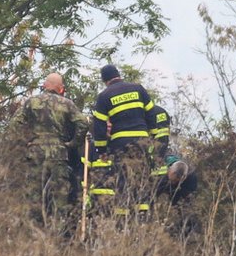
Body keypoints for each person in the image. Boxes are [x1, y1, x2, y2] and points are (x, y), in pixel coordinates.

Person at [10, 72, 89, 224]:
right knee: (60, 198)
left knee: (34, 197)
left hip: (35, 152)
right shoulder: (67, 103)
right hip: (58, 154)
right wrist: (73, 143)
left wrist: (23, 143)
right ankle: (58, 236)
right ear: (61, 88)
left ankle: (33, 234)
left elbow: (14, 125)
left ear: (45, 85)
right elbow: (83, 123)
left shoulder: (30, 102)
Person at [91, 64, 157, 205]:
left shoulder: (104, 96)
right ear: (118, 75)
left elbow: (100, 126)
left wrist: (101, 150)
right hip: (142, 141)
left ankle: (122, 214)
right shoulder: (138, 88)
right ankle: (142, 214)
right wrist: (153, 137)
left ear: (105, 80)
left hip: (120, 143)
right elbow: (151, 114)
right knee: (142, 177)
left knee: (122, 179)